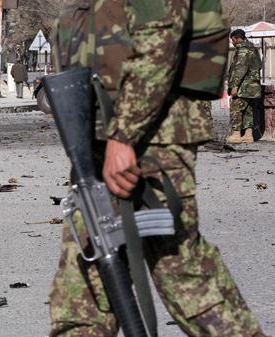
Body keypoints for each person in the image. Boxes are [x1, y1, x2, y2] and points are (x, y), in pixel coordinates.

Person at [48, 1, 268, 337]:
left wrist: (123, 137)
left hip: (153, 135)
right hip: (100, 134)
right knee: (85, 280)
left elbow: (158, 45)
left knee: (180, 271)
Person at [227, 29, 262, 144]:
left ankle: (236, 135)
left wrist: (234, 86)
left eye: (233, 40)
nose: (232, 42)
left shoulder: (243, 50)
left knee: (236, 108)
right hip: (253, 88)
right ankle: (248, 135)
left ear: (237, 38)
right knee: (248, 110)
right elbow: (259, 66)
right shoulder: (253, 48)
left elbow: (240, 69)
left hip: (244, 87)